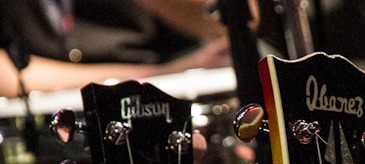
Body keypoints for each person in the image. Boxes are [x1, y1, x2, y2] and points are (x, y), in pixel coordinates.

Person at [0, 0, 231, 98]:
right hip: (56, 127)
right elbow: (7, 77)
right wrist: (166, 72)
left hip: (171, 99)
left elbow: (221, 19)